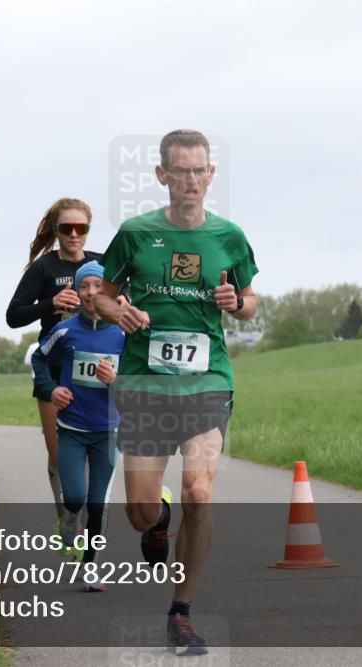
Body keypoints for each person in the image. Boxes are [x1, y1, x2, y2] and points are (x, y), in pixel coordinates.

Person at [94, 130, 259, 655]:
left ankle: (180, 612)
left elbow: (251, 299)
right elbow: (101, 297)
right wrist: (118, 311)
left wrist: (238, 303)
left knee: (200, 491)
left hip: (208, 382)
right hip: (145, 384)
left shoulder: (229, 237)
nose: (191, 180)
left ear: (212, 174)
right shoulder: (137, 234)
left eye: (199, 170)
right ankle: (157, 521)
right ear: (161, 175)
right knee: (140, 511)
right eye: (180, 171)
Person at [6, 197, 125, 521]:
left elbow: (129, 301)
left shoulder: (104, 263)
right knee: (60, 454)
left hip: (99, 368)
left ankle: (89, 521)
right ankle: (67, 518)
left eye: (81, 228)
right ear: (56, 230)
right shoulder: (44, 267)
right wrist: (50, 303)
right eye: (66, 228)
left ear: (88, 229)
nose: (74, 234)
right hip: (57, 370)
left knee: (96, 451)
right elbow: (13, 316)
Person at [32, 261, 124, 591]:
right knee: (74, 495)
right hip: (71, 428)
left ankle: (90, 566)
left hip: (108, 431)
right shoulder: (65, 331)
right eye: (84, 286)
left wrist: (117, 380)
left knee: (98, 503)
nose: (90, 293)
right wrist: (51, 389)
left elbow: (140, 378)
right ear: (77, 291)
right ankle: (69, 517)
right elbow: (39, 359)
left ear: (109, 291)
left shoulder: (122, 334)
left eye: (98, 285)